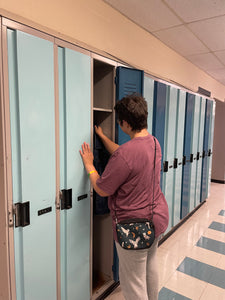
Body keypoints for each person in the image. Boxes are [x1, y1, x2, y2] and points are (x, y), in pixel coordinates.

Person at [80, 94, 169, 300]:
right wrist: (102, 137)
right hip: (157, 219)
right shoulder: (154, 143)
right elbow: (126, 155)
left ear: (126, 123)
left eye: (120, 122)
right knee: (149, 268)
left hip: (134, 228)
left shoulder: (125, 155)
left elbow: (102, 189)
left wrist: (89, 165)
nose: (120, 125)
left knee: (133, 284)